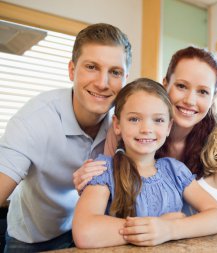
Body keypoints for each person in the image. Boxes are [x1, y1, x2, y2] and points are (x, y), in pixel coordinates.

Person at [74, 46, 217, 216]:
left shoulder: (216, 139)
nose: (190, 100)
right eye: (182, 86)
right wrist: (88, 179)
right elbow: (107, 187)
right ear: (165, 84)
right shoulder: (127, 132)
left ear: (214, 97)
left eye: (203, 92)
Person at [0, 23, 132, 252]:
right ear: (72, 70)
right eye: (92, 67)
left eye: (115, 72)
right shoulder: (34, 120)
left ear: (125, 78)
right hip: (29, 238)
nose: (102, 83)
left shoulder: (124, 125)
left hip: (84, 232)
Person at [72, 78, 217, 248]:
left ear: (169, 127)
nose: (146, 129)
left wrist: (169, 229)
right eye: (134, 119)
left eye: (158, 120)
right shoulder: (103, 170)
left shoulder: (174, 171)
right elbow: (85, 232)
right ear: (117, 125)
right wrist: (157, 225)